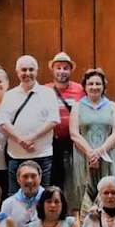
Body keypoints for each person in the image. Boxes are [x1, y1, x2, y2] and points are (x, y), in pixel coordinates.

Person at [0, 55, 59, 194]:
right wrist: (21, 141)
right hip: (16, 155)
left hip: (42, 154)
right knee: (14, 195)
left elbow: (53, 120)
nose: (27, 73)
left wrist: (31, 138)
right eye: (23, 70)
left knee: (43, 196)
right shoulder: (9, 95)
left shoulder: (48, 93)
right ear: (17, 72)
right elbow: (3, 122)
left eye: (31, 69)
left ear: (37, 71)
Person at [70, 68, 115, 214]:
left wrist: (99, 152)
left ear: (104, 86)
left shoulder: (112, 106)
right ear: (85, 86)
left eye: (98, 84)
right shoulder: (77, 106)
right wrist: (90, 153)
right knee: (84, 195)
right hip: (83, 156)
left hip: (107, 155)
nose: (94, 87)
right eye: (90, 84)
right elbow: (74, 133)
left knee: (108, 192)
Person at [46, 52, 86, 190]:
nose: (62, 71)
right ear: (53, 69)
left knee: (77, 179)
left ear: (70, 70)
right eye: (58, 68)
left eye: (65, 68)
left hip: (75, 142)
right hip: (52, 143)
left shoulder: (81, 90)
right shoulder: (45, 90)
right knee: (55, 180)